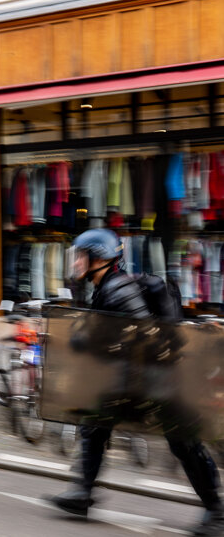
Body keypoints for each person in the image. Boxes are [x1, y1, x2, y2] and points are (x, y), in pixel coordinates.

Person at [48, 228, 224, 536]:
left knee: (184, 443)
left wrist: (90, 340)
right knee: (94, 423)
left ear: (99, 258)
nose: (75, 262)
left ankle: (217, 513)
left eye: (80, 256)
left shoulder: (118, 290)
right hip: (139, 380)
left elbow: (146, 336)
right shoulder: (105, 287)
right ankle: (82, 493)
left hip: (161, 382)